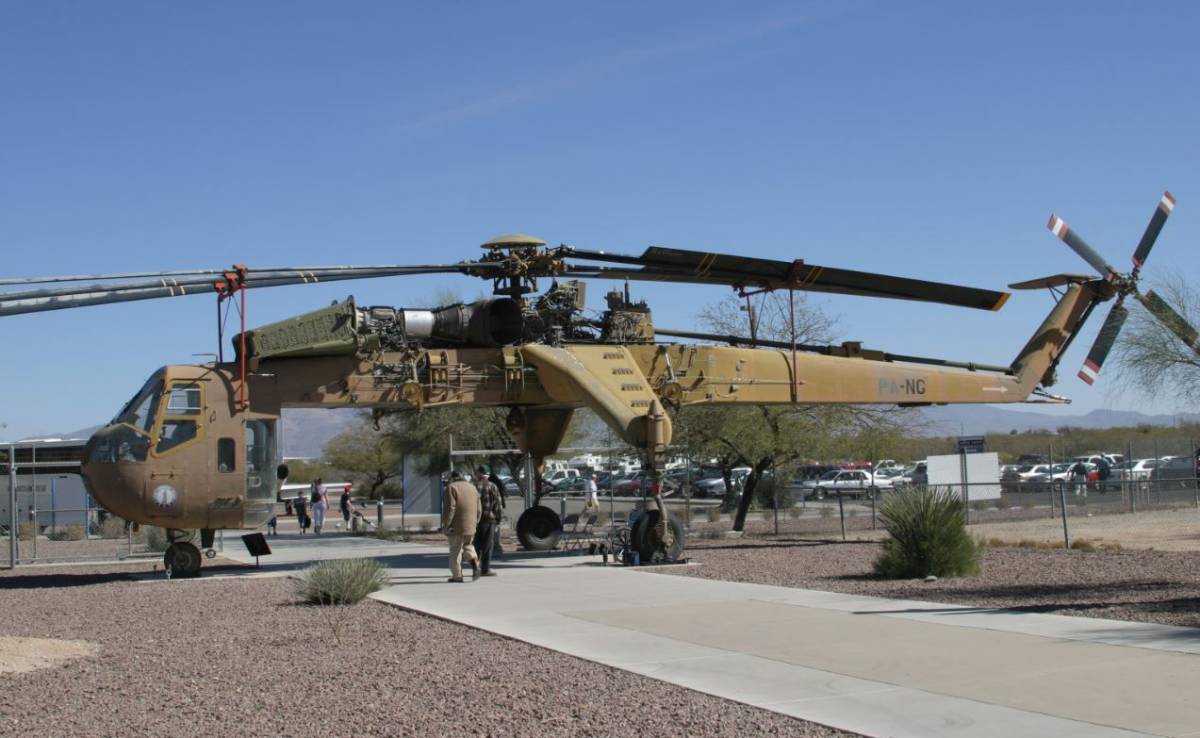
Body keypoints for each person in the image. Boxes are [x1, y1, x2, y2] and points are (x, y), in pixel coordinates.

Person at [442, 470, 481, 582]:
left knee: (455, 550)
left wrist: (446, 524)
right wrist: (475, 522)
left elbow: (450, 508)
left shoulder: (452, 488)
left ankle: (457, 576)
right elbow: (479, 508)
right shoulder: (472, 488)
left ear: (452, 478)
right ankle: (475, 563)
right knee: (468, 545)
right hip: (471, 525)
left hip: (456, 526)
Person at [473, 465, 503, 577]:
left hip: (475, 520)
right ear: (487, 474)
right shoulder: (492, 486)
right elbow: (498, 504)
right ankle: (485, 569)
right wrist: (498, 519)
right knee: (487, 545)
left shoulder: (473, 486)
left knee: (476, 545)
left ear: (479, 473)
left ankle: (476, 568)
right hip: (489, 520)